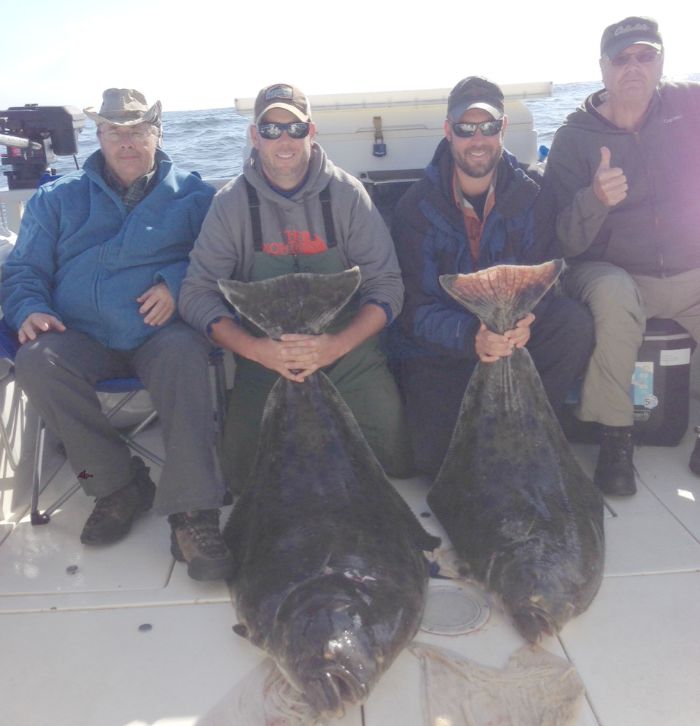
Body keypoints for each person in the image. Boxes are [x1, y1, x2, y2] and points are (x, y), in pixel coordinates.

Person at [0, 88, 233, 580]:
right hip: (80, 335)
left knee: (187, 357)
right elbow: (23, 271)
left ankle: (194, 513)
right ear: (98, 138)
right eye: (114, 132)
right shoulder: (56, 198)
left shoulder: (196, 196)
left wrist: (175, 282)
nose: (126, 142)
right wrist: (31, 309)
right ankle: (114, 484)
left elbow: (222, 263)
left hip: (162, 336)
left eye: (137, 131)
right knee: (35, 361)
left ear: (158, 133)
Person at [179, 83, 412, 491]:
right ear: (254, 136)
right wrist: (257, 351)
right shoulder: (230, 204)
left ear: (312, 131)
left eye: (294, 128)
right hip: (266, 357)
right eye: (270, 130)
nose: (283, 140)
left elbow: (387, 286)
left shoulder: (347, 195)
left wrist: (336, 345)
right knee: (241, 473)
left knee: (395, 456)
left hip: (347, 353)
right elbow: (196, 294)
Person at [390, 76, 594, 476]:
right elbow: (414, 310)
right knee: (435, 464)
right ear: (449, 131)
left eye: (487, 126)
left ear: (503, 129)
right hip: (449, 348)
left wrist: (527, 324)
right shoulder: (415, 207)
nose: (477, 139)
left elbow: (546, 278)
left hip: (515, 333)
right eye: (466, 128)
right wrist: (472, 337)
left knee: (572, 324)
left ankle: (535, 420)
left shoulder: (534, 194)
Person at [540, 16, 700, 495]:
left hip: (690, 267)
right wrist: (594, 199)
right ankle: (616, 439)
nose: (633, 66)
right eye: (621, 57)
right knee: (613, 299)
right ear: (603, 68)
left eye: (644, 55)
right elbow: (561, 241)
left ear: (661, 61)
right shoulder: (574, 138)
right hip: (614, 271)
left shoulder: (690, 105)